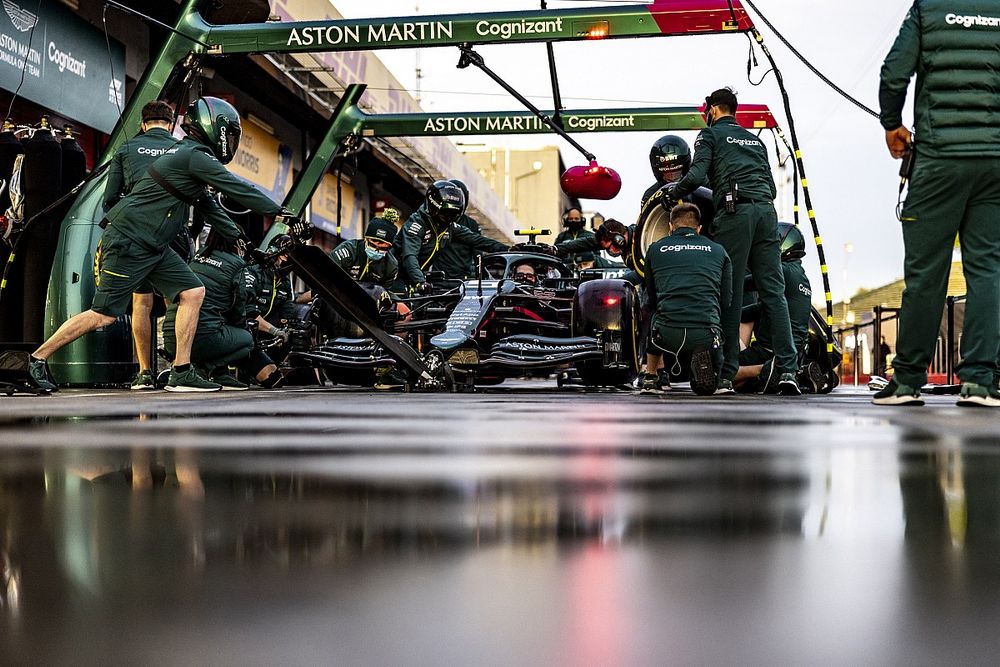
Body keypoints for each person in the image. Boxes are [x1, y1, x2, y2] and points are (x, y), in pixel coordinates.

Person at [27, 96, 287, 393]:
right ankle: (37, 358)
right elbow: (235, 188)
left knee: (192, 291)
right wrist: (280, 212)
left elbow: (205, 205)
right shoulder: (189, 154)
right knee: (103, 314)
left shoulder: (168, 152)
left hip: (153, 244)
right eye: (228, 132)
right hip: (131, 241)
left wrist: (242, 240)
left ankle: (180, 371)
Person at [874, 2, 1000, 407]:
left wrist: (892, 123)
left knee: (927, 271)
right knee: (989, 269)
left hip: (939, 160)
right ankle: (980, 381)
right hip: (994, 163)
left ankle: (909, 380)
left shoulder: (929, 8)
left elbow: (895, 71)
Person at [662, 87, 801, 396]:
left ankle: (726, 375)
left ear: (711, 109)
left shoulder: (708, 136)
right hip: (766, 213)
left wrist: (673, 190)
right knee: (774, 293)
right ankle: (789, 370)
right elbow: (772, 189)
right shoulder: (755, 140)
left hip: (735, 213)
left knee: (731, 292)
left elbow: (696, 175)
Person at [102, 100, 194, 391]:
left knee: (141, 303)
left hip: (135, 235)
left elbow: (109, 199)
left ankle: (144, 373)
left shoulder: (127, 148)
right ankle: (174, 367)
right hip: (172, 234)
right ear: (170, 124)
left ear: (143, 124)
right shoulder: (182, 149)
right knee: (177, 300)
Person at [162, 229, 282, 390]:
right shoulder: (237, 265)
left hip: (170, 337)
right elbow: (239, 312)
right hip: (199, 339)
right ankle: (204, 369)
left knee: (220, 327)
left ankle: (219, 374)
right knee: (246, 340)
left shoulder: (197, 256)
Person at [644, 203, 731, 395]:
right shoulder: (718, 251)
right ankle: (722, 376)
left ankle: (651, 376)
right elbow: (726, 301)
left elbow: (651, 298)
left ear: (670, 227)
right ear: (699, 228)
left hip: (666, 336)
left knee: (652, 310)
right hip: (707, 334)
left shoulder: (655, 249)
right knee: (717, 313)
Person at [733, 222, 814, 392]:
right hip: (795, 352)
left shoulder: (780, 271)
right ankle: (797, 375)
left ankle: (765, 369)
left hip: (770, 350)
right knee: (742, 385)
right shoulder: (800, 277)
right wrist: (735, 315)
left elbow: (742, 284)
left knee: (719, 373)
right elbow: (763, 309)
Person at [394, 180, 507, 291]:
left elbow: (477, 240)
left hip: (412, 279)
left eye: (452, 215)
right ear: (433, 207)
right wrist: (420, 282)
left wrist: (507, 249)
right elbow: (409, 256)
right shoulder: (417, 224)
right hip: (394, 276)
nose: (448, 218)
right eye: (445, 213)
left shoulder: (450, 227)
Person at [434, 179, 486, 280]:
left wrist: (480, 277)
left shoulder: (471, 225)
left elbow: (478, 255)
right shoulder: (436, 220)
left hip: (461, 280)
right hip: (438, 278)